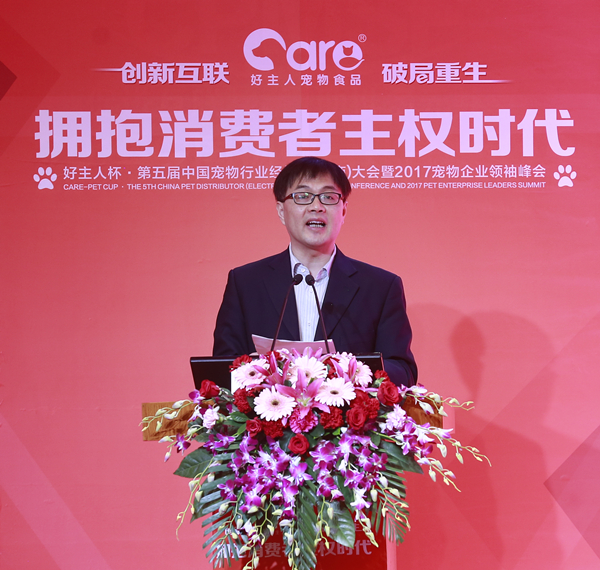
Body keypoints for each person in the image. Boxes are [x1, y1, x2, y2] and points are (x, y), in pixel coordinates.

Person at [212, 157, 417, 387]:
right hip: (269, 408)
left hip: (346, 409)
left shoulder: (380, 287)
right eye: (302, 196)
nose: (316, 206)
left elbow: (403, 371)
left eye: (328, 197)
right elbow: (221, 370)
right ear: (281, 211)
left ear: (343, 210)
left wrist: (349, 370)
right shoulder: (246, 284)